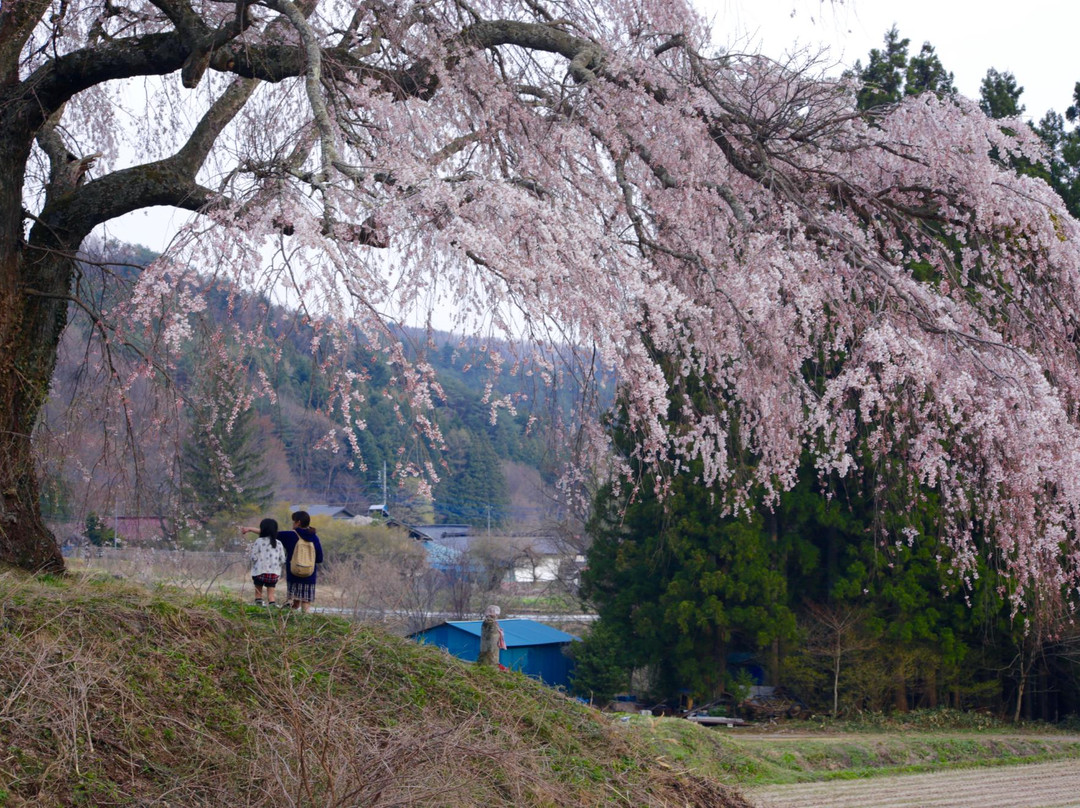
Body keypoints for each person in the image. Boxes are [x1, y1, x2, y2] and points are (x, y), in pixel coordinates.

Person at [278, 510, 324, 613]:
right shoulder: (314, 537)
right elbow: (319, 558)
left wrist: (251, 529)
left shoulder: (290, 535)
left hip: (294, 573)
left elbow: (271, 533)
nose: (293, 524)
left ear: (298, 522)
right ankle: (305, 624)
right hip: (309, 575)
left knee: (293, 601)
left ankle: (287, 620)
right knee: (306, 602)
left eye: (293, 521)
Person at [241, 518, 286, 606]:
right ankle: (272, 605)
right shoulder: (279, 543)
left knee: (258, 592)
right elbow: (283, 559)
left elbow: (253, 557)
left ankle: (258, 605)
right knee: (271, 594)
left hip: (260, 573)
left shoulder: (259, 541)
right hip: (274, 574)